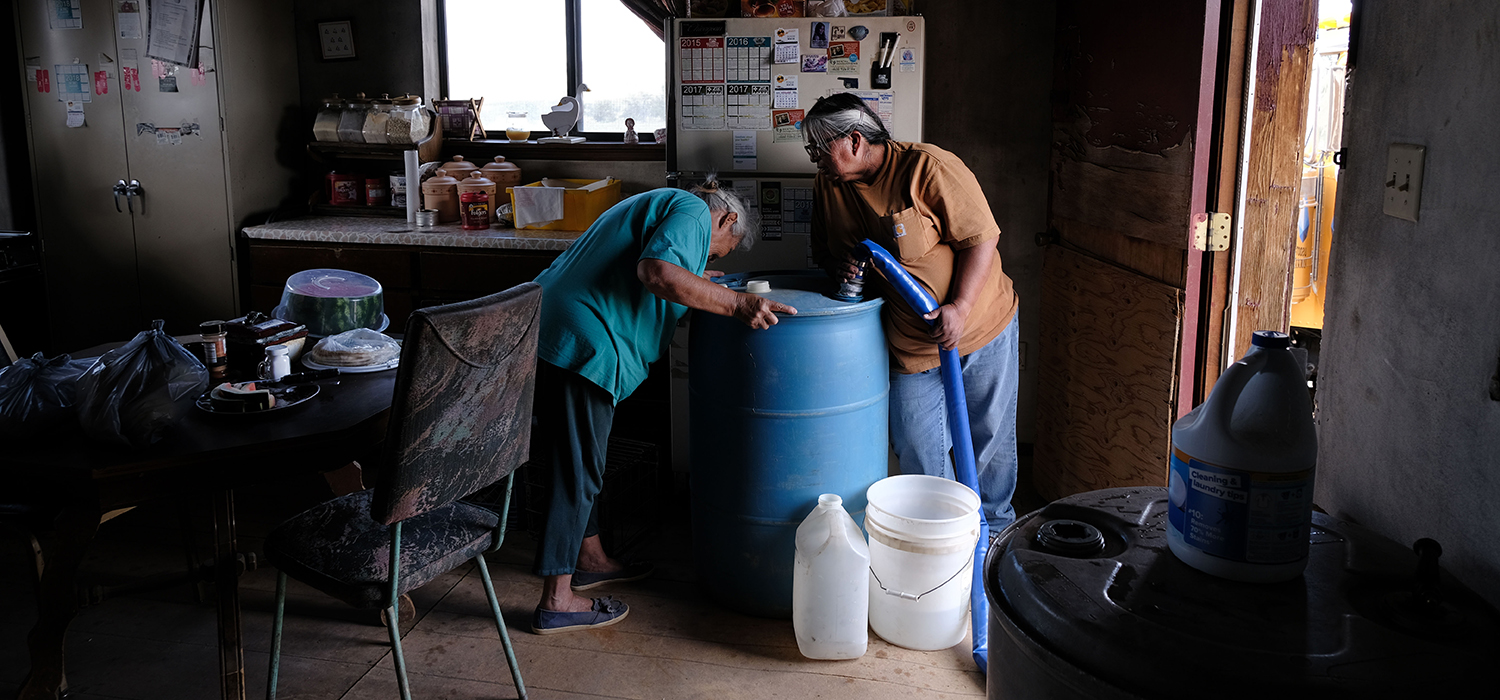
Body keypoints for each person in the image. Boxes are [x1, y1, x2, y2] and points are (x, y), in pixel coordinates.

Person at [529, 181, 797, 634]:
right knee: (577, 468)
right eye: (714, 256)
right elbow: (657, 271)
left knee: (572, 457)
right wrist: (737, 302)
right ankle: (557, 599)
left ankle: (590, 559)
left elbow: (661, 265)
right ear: (727, 220)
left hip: (553, 324)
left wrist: (697, 278)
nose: (707, 261)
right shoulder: (693, 210)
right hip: (583, 338)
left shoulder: (662, 203)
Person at [803, 93, 1021, 535]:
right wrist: (842, 267)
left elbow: (982, 238)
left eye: (819, 150)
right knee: (919, 448)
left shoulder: (927, 167)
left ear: (855, 140)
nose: (815, 161)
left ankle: (994, 534)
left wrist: (958, 307)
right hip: (910, 345)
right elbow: (826, 255)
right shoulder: (828, 186)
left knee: (987, 438)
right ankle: (941, 537)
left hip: (978, 327)